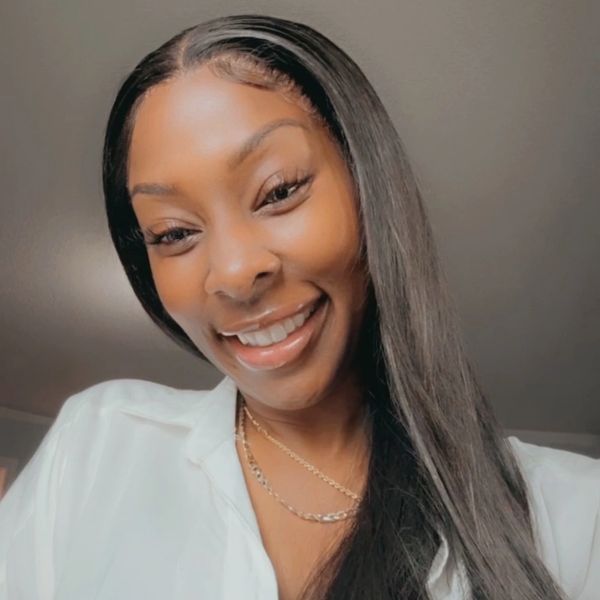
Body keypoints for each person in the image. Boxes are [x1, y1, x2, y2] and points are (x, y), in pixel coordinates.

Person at [0, 13, 598, 600]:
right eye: (174, 233)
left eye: (279, 191)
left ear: (368, 184)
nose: (235, 273)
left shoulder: (578, 517)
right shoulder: (98, 446)